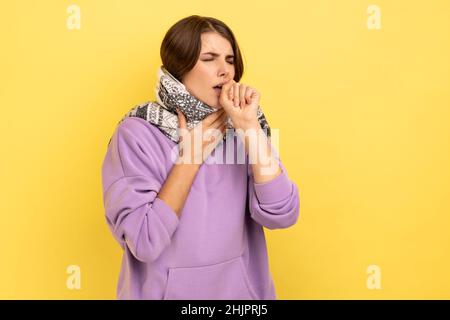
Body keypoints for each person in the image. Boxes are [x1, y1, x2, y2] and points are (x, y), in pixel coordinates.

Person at [101, 15, 300, 300]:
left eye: (230, 60)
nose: (225, 71)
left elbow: (283, 214)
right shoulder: (135, 134)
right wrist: (191, 157)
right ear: (178, 69)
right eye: (209, 58)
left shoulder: (244, 128)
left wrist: (250, 129)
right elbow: (145, 241)